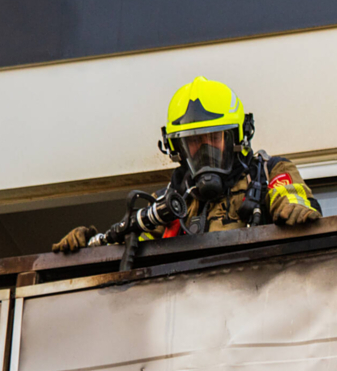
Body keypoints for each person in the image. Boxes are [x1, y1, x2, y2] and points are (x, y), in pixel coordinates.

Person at [52, 76, 320, 252]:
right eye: (194, 141)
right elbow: (131, 247)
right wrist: (88, 245)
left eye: (213, 137)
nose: (204, 149)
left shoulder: (267, 172)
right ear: (178, 148)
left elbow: (291, 196)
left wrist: (294, 208)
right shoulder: (168, 201)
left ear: (237, 137)